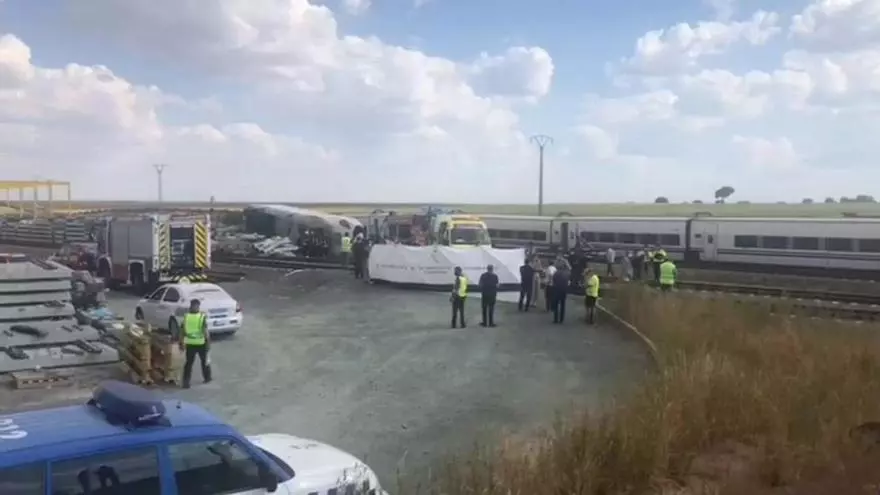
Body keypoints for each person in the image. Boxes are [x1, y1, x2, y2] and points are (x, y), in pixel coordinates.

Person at [180, 299, 212, 389]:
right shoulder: (201, 317)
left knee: (189, 364)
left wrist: (181, 342)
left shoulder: (186, 316)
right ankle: (207, 377)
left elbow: (182, 331)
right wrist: (208, 342)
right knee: (204, 362)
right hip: (200, 343)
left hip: (190, 343)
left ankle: (186, 382)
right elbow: (205, 331)